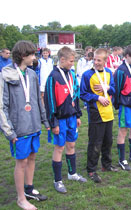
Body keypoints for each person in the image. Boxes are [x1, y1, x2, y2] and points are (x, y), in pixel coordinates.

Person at [0, 41, 50, 210]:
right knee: (21, 163)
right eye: (32, 55)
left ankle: (29, 190)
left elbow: (38, 101)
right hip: (19, 129)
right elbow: (2, 106)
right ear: (23, 56)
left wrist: (44, 121)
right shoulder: (6, 75)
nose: (34, 58)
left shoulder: (32, 74)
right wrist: (9, 132)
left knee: (32, 157)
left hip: (34, 125)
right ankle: (21, 199)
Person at [44, 46, 86, 194]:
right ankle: (58, 180)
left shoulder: (72, 75)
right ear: (62, 60)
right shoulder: (53, 77)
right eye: (71, 61)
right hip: (60, 120)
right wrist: (53, 122)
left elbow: (75, 95)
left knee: (71, 145)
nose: (72, 64)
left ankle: (72, 173)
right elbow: (49, 102)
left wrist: (78, 115)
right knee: (59, 147)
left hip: (72, 118)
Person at [80, 48, 118, 183]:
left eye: (99, 60)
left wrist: (108, 88)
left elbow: (113, 88)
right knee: (95, 143)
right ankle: (91, 170)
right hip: (96, 113)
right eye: (94, 59)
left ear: (105, 61)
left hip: (109, 112)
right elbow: (83, 94)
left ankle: (106, 165)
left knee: (108, 141)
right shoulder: (87, 75)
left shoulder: (108, 73)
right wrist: (97, 97)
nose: (96, 62)